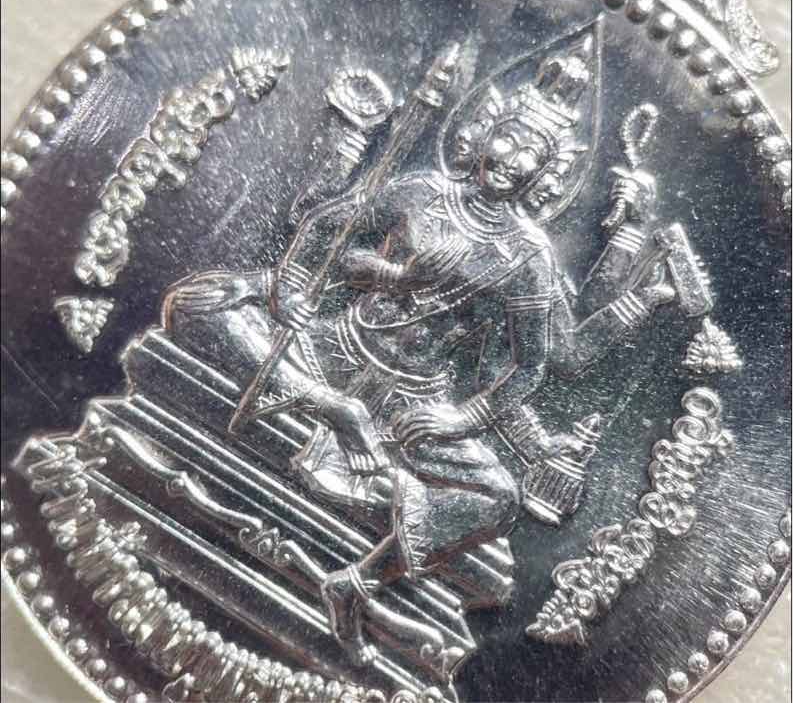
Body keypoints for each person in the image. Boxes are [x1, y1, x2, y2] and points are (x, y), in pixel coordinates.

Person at [161, 36, 677, 664]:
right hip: (335, 349)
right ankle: (331, 408)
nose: (512, 160)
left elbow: (535, 365)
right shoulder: (422, 192)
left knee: (499, 498)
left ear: (547, 175)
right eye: (508, 140)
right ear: (482, 136)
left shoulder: (527, 256)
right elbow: (329, 226)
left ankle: (356, 583)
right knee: (196, 301)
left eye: (531, 156)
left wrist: (461, 418)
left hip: (414, 401)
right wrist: (296, 287)